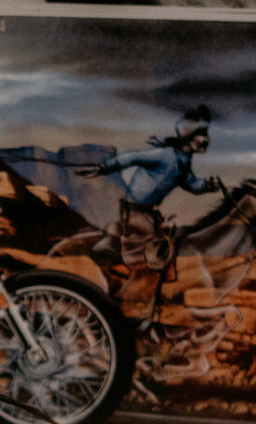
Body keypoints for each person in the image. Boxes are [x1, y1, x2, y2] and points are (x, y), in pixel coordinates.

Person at [73, 105, 219, 315]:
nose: (206, 140)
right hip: (136, 213)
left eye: (206, 134)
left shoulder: (183, 162)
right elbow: (131, 158)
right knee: (153, 261)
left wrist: (207, 186)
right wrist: (104, 168)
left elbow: (192, 184)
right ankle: (132, 307)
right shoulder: (165, 155)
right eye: (201, 134)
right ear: (189, 136)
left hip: (150, 214)